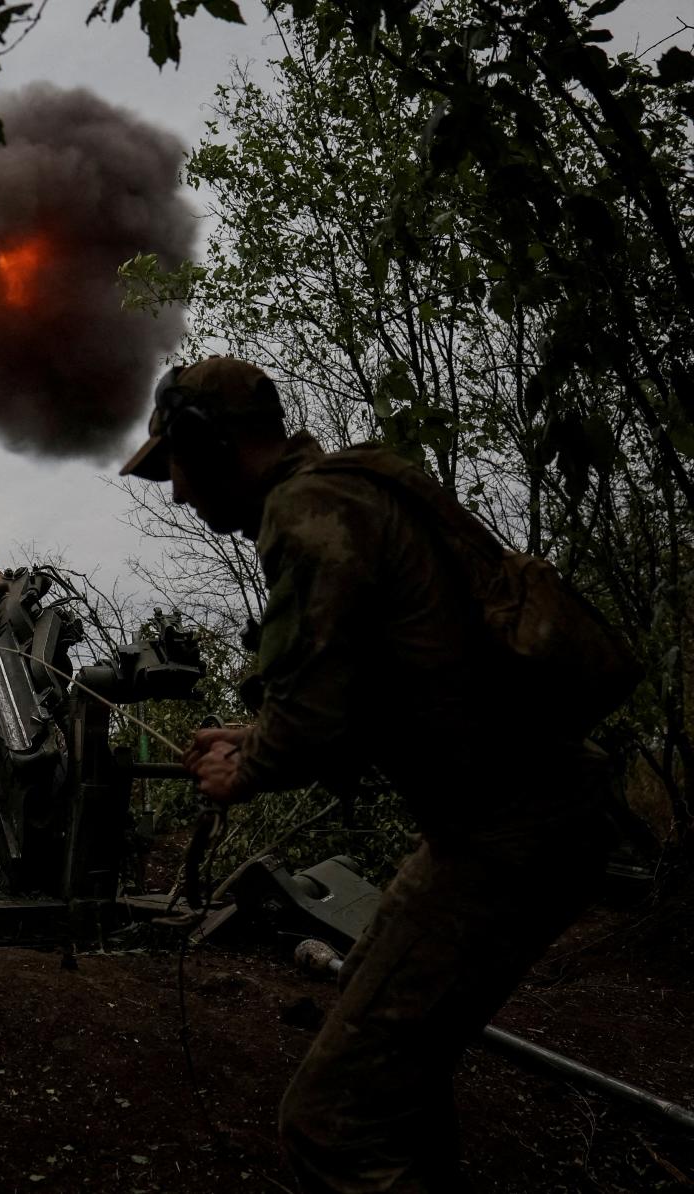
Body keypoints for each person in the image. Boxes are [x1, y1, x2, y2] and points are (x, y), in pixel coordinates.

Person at [121, 358, 614, 1192]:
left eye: (175, 463)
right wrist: (255, 733)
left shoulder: (305, 513)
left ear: (212, 445)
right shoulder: (350, 492)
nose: (175, 493)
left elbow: (310, 718)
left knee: (332, 1123)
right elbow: (368, 692)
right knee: (395, 1088)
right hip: (518, 819)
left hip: (508, 834)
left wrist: (246, 770)